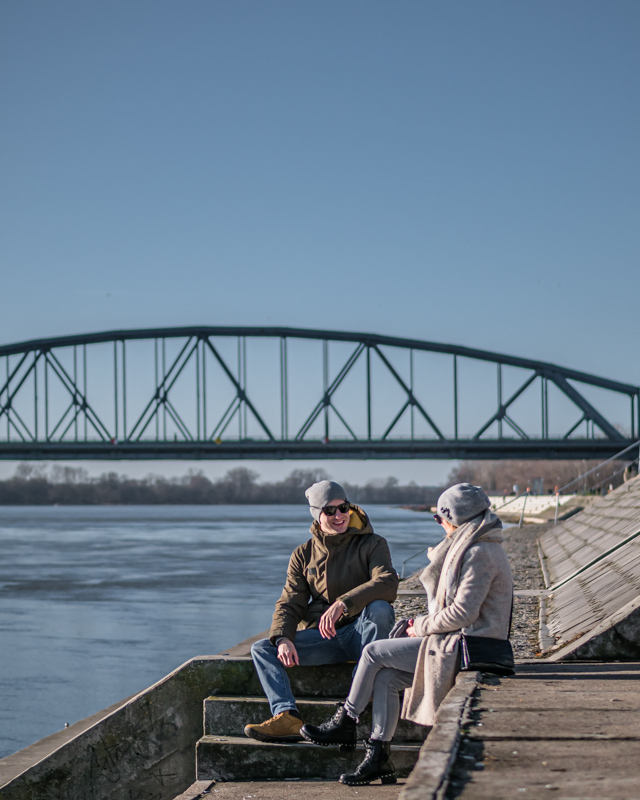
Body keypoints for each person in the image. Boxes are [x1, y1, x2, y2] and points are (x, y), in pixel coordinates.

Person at [300, 483, 513, 786]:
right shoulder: (472, 547)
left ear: (456, 517)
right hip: (458, 642)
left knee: (375, 652)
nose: (439, 523)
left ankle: (347, 719)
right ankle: (378, 758)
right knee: (386, 678)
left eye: (440, 517)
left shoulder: (480, 553)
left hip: (470, 647)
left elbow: (462, 614)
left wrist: (418, 626)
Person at [244, 480, 398, 743]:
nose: (339, 516)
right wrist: (282, 638)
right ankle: (286, 717)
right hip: (324, 637)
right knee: (263, 649)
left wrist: (344, 603)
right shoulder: (303, 554)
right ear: (317, 514)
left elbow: (386, 582)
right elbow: (290, 601)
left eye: (343, 507)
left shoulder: (373, 544)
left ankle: (358, 697)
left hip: (362, 634)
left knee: (380, 608)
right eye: (329, 510)